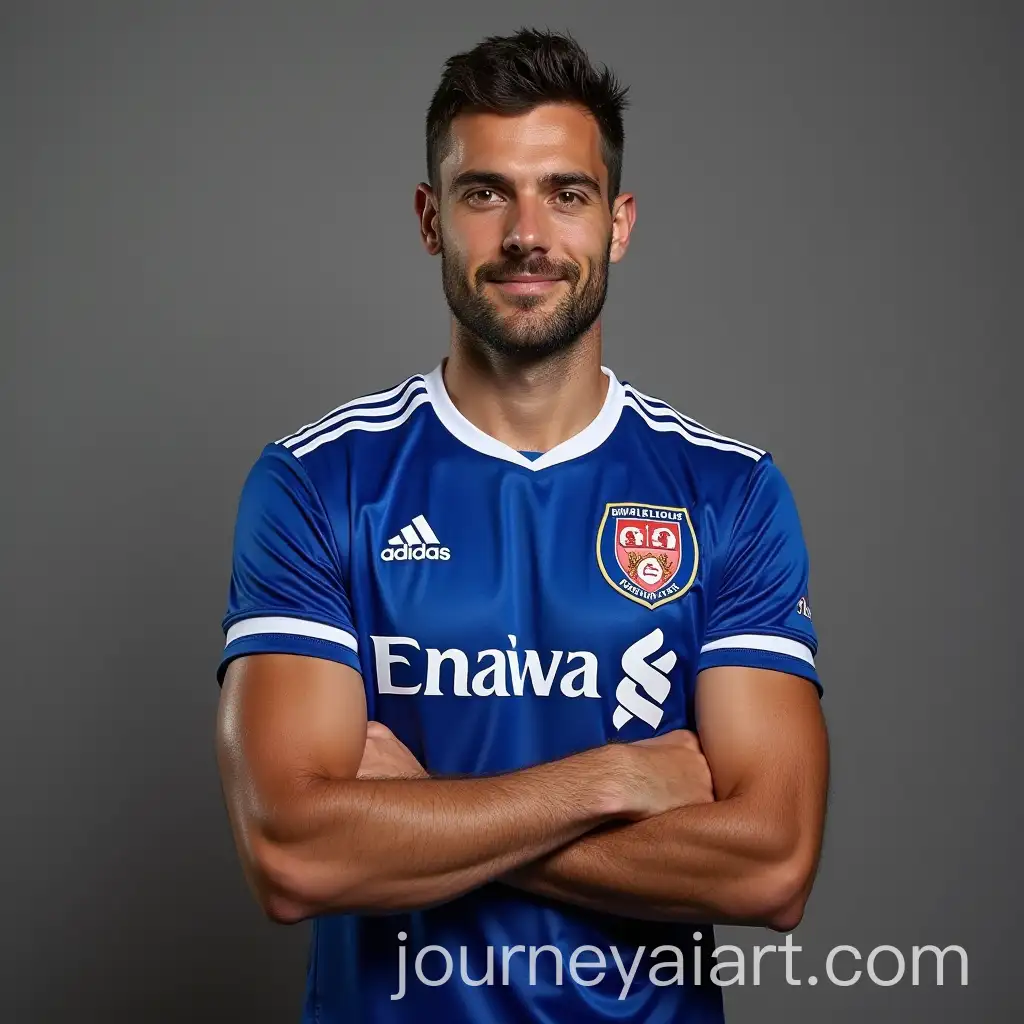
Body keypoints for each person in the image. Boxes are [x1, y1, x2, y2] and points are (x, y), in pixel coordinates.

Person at [214, 27, 829, 1024]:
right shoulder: (319, 482)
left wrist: (423, 817)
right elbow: (292, 853)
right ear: (430, 218)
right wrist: (616, 778)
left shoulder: (728, 494)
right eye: (485, 192)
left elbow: (770, 866)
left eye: (567, 194)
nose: (527, 234)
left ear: (618, 223)